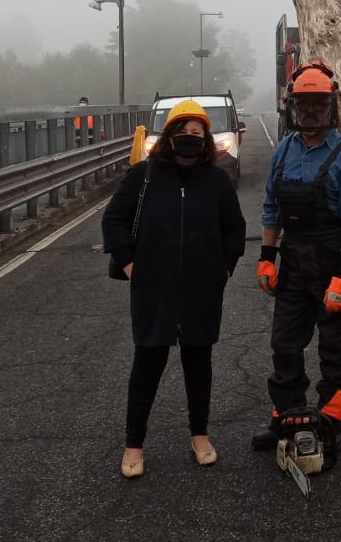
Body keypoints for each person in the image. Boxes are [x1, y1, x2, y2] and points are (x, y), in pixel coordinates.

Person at [101, 99, 246, 478]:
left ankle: (200, 435)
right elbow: (114, 221)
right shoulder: (143, 175)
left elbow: (234, 228)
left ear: (206, 138)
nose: (189, 138)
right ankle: (134, 445)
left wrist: (225, 269)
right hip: (154, 289)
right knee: (147, 364)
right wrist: (133, 267)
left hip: (202, 288)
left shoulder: (217, 180)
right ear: (168, 136)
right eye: (182, 132)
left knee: (198, 364)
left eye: (197, 133)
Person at [251, 61, 341, 472]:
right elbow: (271, 207)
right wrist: (267, 257)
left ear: (331, 106)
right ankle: (286, 416)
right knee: (284, 343)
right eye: (304, 103)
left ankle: (333, 418)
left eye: (319, 103)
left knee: (334, 345)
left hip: (331, 258)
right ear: (293, 107)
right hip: (293, 257)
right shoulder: (284, 151)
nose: (311, 111)